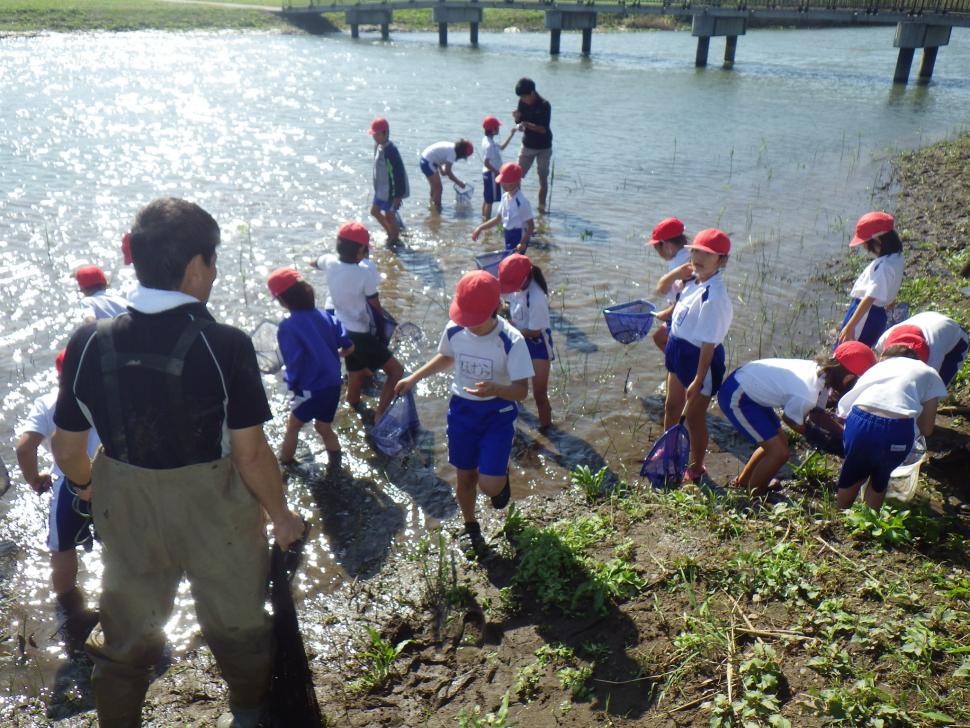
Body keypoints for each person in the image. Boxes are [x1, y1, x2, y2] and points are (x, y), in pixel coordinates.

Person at [51, 197, 305, 728]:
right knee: (237, 623)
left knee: (126, 633)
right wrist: (281, 515)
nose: (213, 273)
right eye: (212, 262)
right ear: (195, 265)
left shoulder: (88, 341)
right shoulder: (226, 345)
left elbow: (69, 449)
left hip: (127, 509)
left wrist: (84, 486)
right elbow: (250, 453)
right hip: (215, 513)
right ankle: (247, 713)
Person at [394, 270, 533, 558]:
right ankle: (471, 526)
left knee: (490, 487)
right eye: (464, 316)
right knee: (465, 475)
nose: (467, 323)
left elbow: (521, 390)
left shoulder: (511, 340)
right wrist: (413, 378)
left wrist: (497, 388)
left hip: (498, 413)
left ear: (495, 308)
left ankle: (499, 476)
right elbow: (446, 357)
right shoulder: (455, 329)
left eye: (474, 317)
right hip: (462, 412)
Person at [15, 350, 101, 645]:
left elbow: (24, 448)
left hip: (69, 484)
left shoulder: (48, 402)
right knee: (120, 548)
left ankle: (70, 612)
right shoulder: (111, 396)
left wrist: (33, 478)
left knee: (62, 549)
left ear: (58, 374)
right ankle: (123, 609)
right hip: (109, 481)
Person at [717, 342, 876, 497]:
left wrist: (837, 432)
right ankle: (755, 496)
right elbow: (790, 419)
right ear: (848, 378)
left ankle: (743, 482)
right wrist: (815, 436)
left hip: (749, 386)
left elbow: (817, 413)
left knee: (779, 443)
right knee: (779, 453)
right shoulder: (807, 393)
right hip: (738, 396)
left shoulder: (820, 373)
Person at [656, 229, 733, 484]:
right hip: (678, 350)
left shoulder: (715, 296)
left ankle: (697, 466)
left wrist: (699, 378)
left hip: (701, 359)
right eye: (695, 251)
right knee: (671, 406)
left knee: (694, 417)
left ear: (721, 260)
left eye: (707, 254)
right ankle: (668, 452)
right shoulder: (693, 281)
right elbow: (670, 297)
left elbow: (709, 343)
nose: (698, 257)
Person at [835, 344, 947, 510]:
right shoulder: (928, 372)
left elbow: (846, 409)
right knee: (879, 480)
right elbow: (927, 428)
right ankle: (867, 526)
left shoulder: (878, 367)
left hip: (859, 419)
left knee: (852, 475)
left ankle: (838, 516)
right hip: (897, 429)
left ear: (886, 357)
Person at [311, 221, 404, 418]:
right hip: (358, 332)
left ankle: (352, 401)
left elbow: (314, 262)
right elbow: (374, 303)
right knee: (396, 371)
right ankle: (380, 415)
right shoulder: (364, 273)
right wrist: (382, 321)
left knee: (356, 371)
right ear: (361, 250)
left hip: (339, 329)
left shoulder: (329, 262)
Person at [268, 267, 354, 473]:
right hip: (333, 385)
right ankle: (336, 467)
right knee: (324, 428)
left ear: (282, 301)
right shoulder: (326, 316)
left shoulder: (288, 327)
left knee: (293, 426)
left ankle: (285, 465)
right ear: (307, 290)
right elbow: (349, 347)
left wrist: (292, 384)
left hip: (309, 389)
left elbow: (294, 363)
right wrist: (334, 356)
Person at [498, 253, 553, 428]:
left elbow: (535, 332)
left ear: (526, 277)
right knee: (512, 386)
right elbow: (501, 296)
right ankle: (515, 418)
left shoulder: (536, 298)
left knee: (539, 395)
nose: (510, 289)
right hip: (519, 338)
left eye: (513, 285)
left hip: (537, 345)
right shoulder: (517, 287)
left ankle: (546, 430)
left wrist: (510, 329)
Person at [837, 211, 903, 347]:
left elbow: (869, 298)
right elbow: (891, 282)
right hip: (876, 313)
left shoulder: (884, 267)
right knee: (862, 349)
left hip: (867, 315)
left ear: (878, 241)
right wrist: (889, 299)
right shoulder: (896, 257)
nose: (866, 249)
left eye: (866, 244)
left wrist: (850, 326)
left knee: (846, 350)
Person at [874, 311, 968, 387]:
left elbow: (930, 389)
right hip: (929, 320)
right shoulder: (884, 340)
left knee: (939, 385)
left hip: (958, 343)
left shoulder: (933, 358)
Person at [647, 217, 691, 352]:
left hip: (685, 315)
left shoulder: (682, 264)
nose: (658, 253)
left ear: (667, 246)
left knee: (662, 340)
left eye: (656, 248)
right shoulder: (686, 254)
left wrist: (668, 313)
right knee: (659, 338)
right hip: (680, 311)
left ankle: (678, 366)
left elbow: (688, 296)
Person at [471, 162, 533, 253]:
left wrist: (523, 242)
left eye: (505, 182)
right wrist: (480, 228)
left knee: (514, 263)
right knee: (509, 260)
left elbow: (531, 226)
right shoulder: (504, 197)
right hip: (508, 234)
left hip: (519, 236)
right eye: (502, 181)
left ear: (516, 182)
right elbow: (497, 219)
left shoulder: (522, 202)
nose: (502, 184)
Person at [512, 77, 553, 212]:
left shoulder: (545, 105)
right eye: (521, 97)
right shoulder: (522, 103)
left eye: (525, 96)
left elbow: (543, 129)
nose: (523, 99)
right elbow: (521, 125)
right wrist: (517, 119)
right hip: (528, 145)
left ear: (532, 92)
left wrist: (526, 124)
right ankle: (517, 206)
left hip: (544, 147)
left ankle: (541, 209)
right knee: (516, 177)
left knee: (543, 178)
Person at [368, 117, 409, 247]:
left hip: (392, 192)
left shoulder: (391, 151)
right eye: (373, 135)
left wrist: (398, 195)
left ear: (385, 133)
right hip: (381, 190)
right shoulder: (378, 146)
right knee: (374, 211)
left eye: (377, 135)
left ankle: (395, 239)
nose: (374, 137)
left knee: (390, 217)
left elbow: (399, 174)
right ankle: (390, 233)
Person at [419, 139, 474, 211]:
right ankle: (437, 211)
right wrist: (459, 182)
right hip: (428, 162)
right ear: (462, 153)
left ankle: (432, 208)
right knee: (438, 189)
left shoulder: (452, 147)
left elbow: (438, 155)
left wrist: (441, 170)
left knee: (434, 188)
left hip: (425, 159)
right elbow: (448, 172)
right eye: (464, 156)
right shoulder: (453, 153)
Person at [480, 115, 517, 220]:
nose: (499, 129)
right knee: (490, 201)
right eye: (497, 127)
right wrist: (497, 172)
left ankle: (484, 219)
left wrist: (511, 134)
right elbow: (486, 162)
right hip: (491, 174)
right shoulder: (489, 145)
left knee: (487, 199)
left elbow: (502, 147)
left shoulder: (488, 140)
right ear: (492, 129)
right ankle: (486, 221)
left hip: (488, 174)